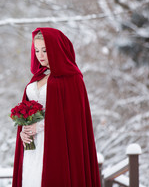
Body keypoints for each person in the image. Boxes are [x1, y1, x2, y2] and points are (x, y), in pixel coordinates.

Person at [12, 28, 101, 187]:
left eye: (45, 50)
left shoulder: (72, 79)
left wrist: (39, 126)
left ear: (56, 49)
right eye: (37, 50)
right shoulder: (38, 78)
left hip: (58, 146)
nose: (40, 55)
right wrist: (23, 132)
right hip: (32, 148)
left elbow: (72, 121)